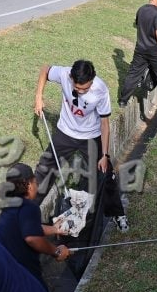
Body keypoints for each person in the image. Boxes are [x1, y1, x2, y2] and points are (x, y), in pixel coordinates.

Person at [34, 60, 129, 230]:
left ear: (92, 81)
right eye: (77, 88)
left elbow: (104, 124)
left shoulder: (100, 89)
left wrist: (104, 155)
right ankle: (29, 211)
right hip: (65, 132)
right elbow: (45, 70)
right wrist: (38, 97)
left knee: (105, 173)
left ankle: (117, 213)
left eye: (84, 89)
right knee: (45, 169)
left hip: (91, 136)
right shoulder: (64, 73)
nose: (80, 92)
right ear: (71, 77)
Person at [0, 162, 71, 291]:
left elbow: (29, 228)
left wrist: (55, 229)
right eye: (36, 181)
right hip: (21, 271)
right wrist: (56, 251)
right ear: (29, 185)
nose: (37, 185)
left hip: (3, 267)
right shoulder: (29, 208)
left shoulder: (11, 205)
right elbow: (31, 238)